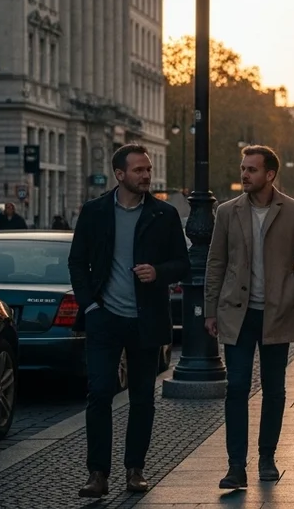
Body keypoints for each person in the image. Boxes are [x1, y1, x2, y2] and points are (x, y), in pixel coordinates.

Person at [68, 144, 188, 498]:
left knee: (142, 399)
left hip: (146, 320)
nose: (146, 175)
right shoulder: (95, 212)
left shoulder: (163, 215)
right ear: (119, 174)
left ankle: (135, 469)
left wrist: (159, 271)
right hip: (104, 318)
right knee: (100, 393)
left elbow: (182, 263)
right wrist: (90, 306)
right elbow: (77, 262)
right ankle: (97, 474)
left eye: (148, 169)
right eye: (138, 170)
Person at [205, 146, 294, 489]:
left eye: (251, 169)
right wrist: (211, 310)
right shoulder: (227, 211)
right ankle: (236, 465)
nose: (244, 175)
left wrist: (290, 293)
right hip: (237, 313)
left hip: (277, 313)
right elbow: (216, 262)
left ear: (269, 174)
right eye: (243, 168)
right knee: (235, 387)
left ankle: (267, 456)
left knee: (275, 389)